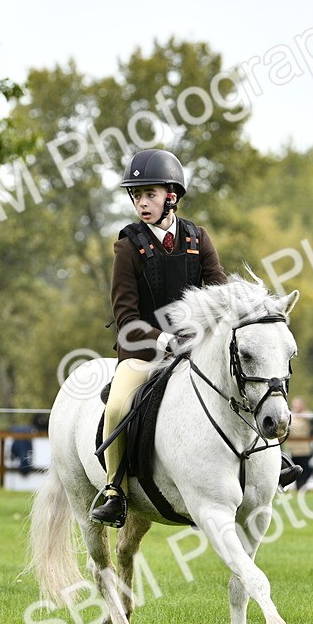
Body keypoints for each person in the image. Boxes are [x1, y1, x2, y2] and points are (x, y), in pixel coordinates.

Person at [90, 148, 228, 527]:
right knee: (117, 408)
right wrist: (166, 342)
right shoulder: (127, 246)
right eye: (136, 195)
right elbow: (126, 318)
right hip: (142, 351)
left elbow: (220, 295)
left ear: (172, 195)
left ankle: (268, 461)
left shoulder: (198, 239)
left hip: (192, 349)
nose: (141, 203)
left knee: (240, 382)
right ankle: (114, 491)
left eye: (149, 194)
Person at [283, 397, 313, 489]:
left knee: (306, 469)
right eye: (295, 405)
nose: (296, 407)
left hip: (305, 448)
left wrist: (303, 415)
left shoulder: (307, 415)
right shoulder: (290, 416)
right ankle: (297, 486)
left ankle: (302, 485)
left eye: (298, 405)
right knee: (293, 469)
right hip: (293, 448)